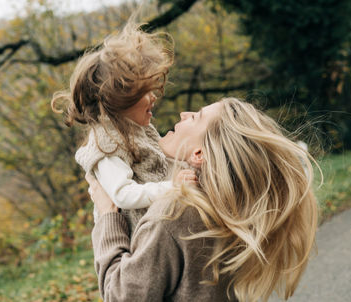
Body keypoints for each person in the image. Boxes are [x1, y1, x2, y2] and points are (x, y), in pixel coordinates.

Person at [87, 97, 319, 301]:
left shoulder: (173, 215)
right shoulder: (232, 206)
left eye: (195, 117)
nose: (183, 114)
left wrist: (108, 218)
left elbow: (122, 296)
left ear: (199, 154)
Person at [51, 22, 196, 231]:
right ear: (119, 100)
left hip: (160, 225)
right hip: (135, 239)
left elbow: (159, 163)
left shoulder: (135, 127)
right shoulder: (106, 143)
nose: (154, 97)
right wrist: (174, 187)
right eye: (145, 93)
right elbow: (123, 195)